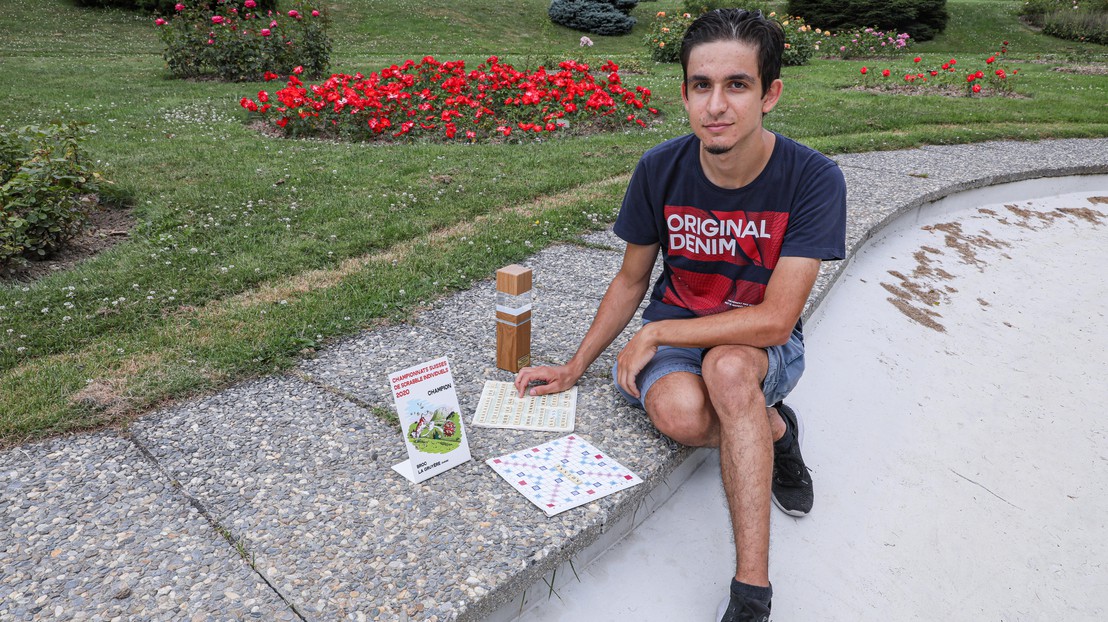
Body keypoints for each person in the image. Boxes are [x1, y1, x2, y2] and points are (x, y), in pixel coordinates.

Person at [514, 8, 846, 622]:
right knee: (681, 415)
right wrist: (574, 364)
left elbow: (775, 320)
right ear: (686, 92)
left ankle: (752, 592)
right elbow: (631, 277)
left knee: (726, 372)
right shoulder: (660, 168)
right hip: (683, 333)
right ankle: (776, 429)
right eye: (701, 86)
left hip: (758, 341)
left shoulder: (813, 178)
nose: (716, 105)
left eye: (737, 85)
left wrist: (660, 330)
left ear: (770, 93)